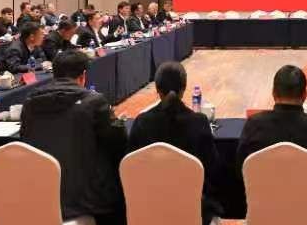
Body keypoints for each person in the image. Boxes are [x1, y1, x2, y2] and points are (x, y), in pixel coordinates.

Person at [21, 50, 127, 224]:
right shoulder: (94, 102)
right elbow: (117, 141)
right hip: (87, 200)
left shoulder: (30, 102)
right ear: (83, 76)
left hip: (41, 192)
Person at [237, 65, 307, 222]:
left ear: (273, 93)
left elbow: (241, 172)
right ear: (304, 95)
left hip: (262, 218)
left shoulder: (254, 125)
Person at [128, 61, 223, 224]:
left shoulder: (141, 122)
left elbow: (132, 169)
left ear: (157, 90)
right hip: (193, 212)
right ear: (184, 89)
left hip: (149, 211)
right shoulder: (199, 122)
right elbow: (212, 169)